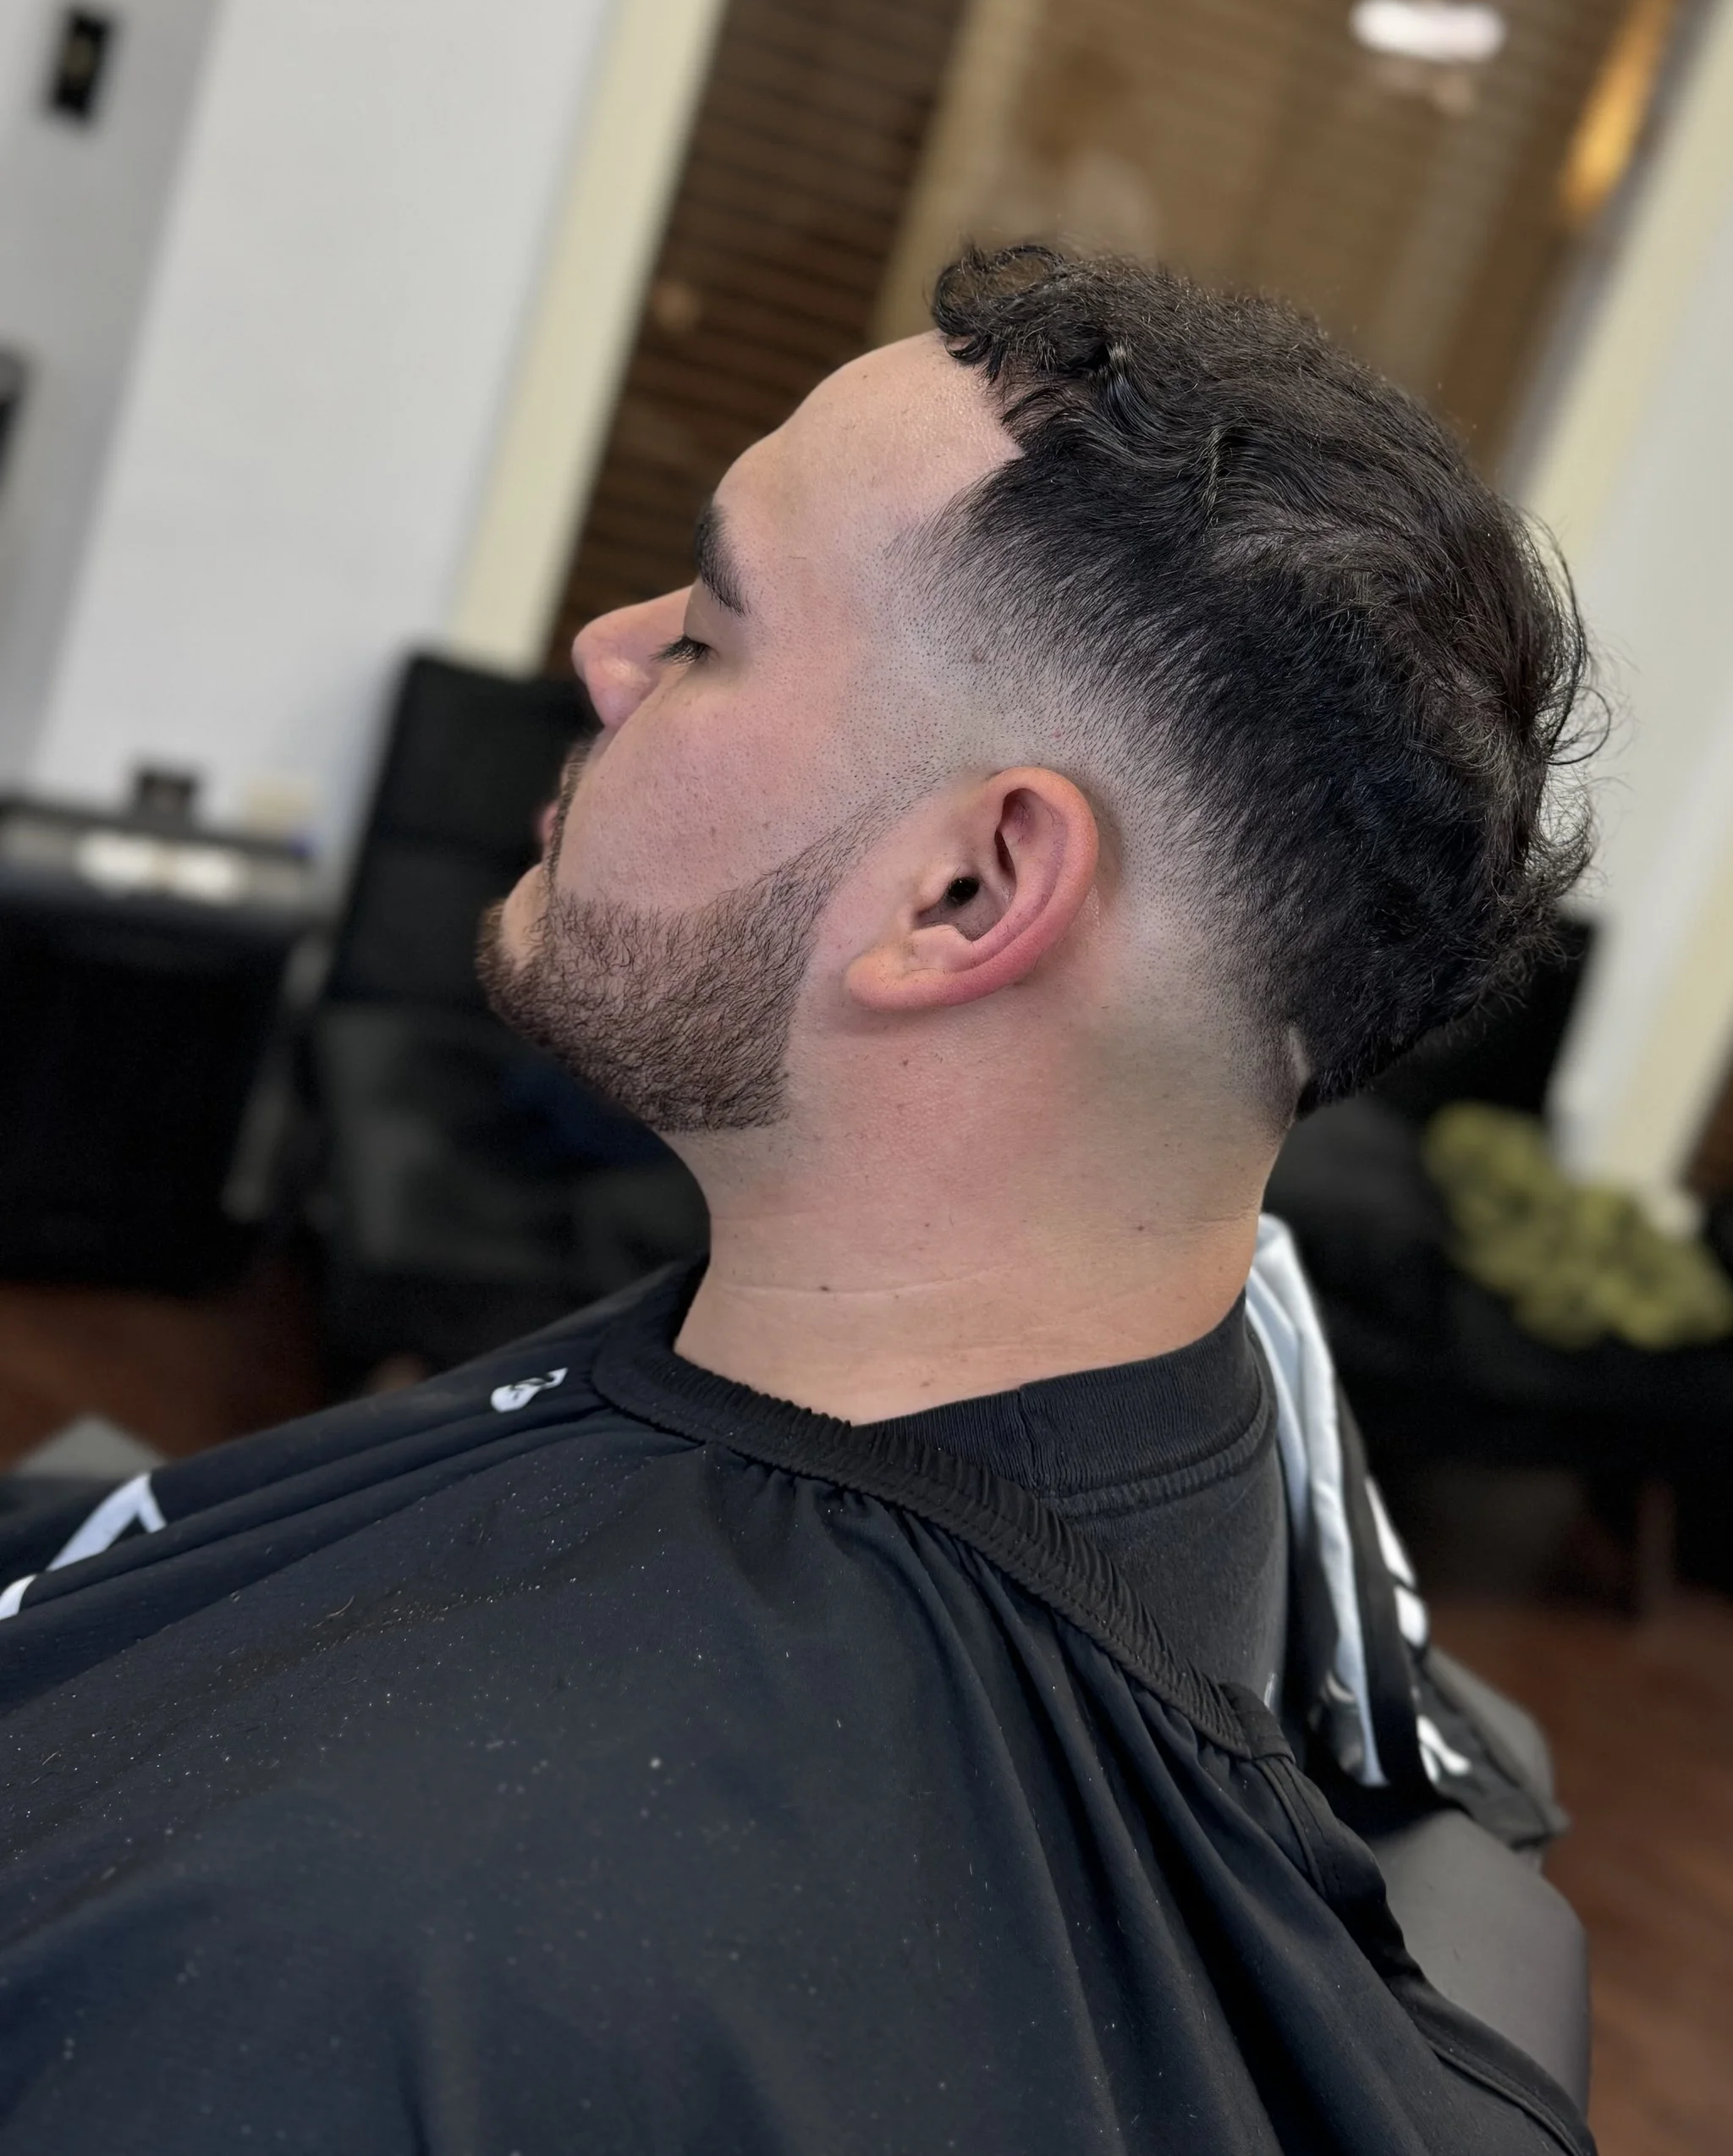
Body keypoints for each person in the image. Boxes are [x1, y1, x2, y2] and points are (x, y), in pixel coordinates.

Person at [0, 246, 1593, 2153]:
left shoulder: (364, 1959)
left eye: (710, 626)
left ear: (966, 896)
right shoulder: (1224, 1415)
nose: (604, 645)